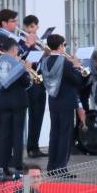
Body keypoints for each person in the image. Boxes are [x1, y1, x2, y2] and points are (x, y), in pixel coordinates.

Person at [39, 34, 86, 173]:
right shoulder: (65, 62)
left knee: (54, 133)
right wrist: (77, 67)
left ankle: (51, 166)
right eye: (64, 45)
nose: (64, 47)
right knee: (65, 135)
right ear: (60, 46)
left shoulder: (44, 61)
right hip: (66, 102)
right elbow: (77, 81)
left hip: (53, 101)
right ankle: (61, 167)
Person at [0, 38, 30, 174]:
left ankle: (3, 165)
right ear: (13, 49)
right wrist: (27, 69)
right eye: (17, 50)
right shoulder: (17, 64)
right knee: (18, 134)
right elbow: (25, 82)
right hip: (18, 101)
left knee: (4, 134)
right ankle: (18, 164)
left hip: (2, 101)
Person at [17, 15, 48, 158]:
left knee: (38, 116)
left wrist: (42, 48)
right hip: (27, 83)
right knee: (26, 116)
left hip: (39, 81)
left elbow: (44, 58)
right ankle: (23, 148)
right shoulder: (19, 41)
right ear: (25, 27)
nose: (33, 30)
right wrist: (28, 46)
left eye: (35, 27)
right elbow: (19, 56)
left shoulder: (37, 42)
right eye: (30, 27)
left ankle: (33, 146)